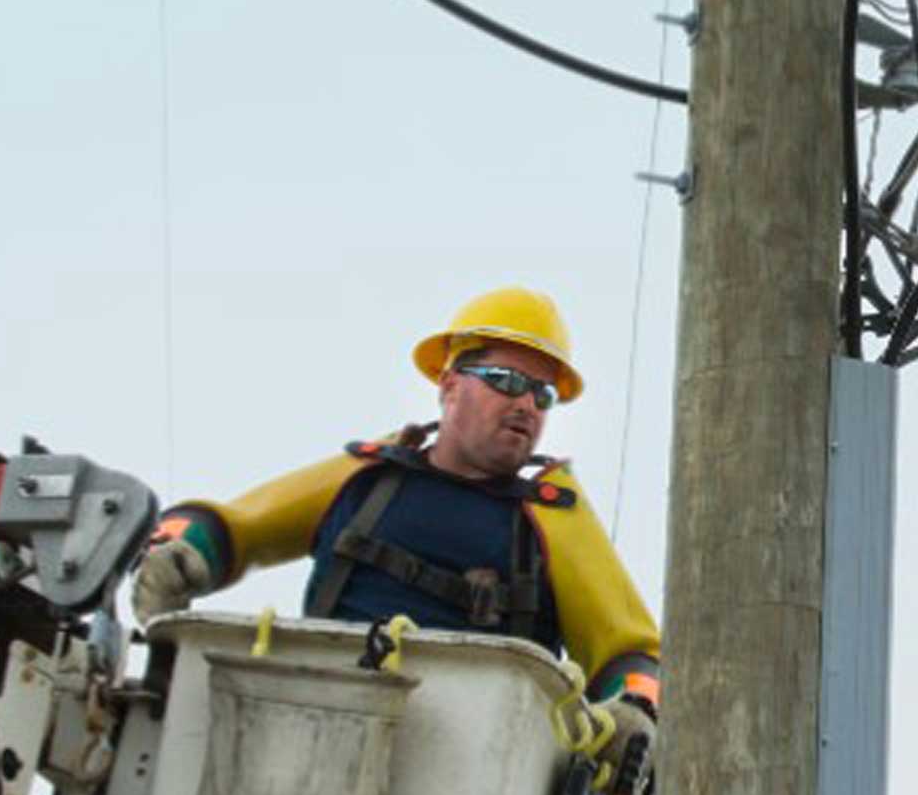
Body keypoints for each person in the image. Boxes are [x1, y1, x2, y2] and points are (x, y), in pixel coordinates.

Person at [131, 285, 663, 752]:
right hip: (319, 724)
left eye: (542, 394)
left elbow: (632, 654)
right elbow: (234, 525)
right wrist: (178, 554)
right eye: (505, 379)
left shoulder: (553, 516)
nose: (526, 404)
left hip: (483, 762)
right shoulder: (369, 478)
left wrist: (633, 713)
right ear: (450, 384)